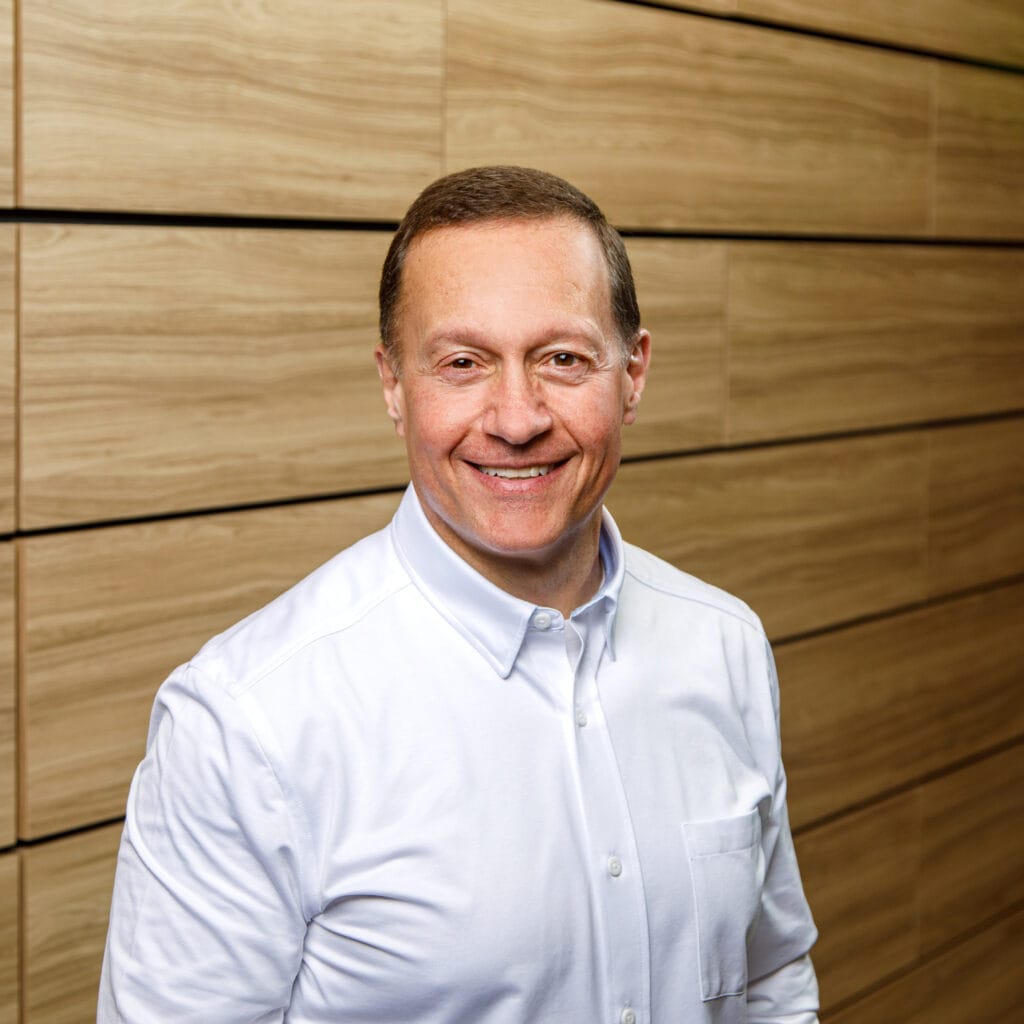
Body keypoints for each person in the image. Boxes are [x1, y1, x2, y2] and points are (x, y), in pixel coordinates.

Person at [99, 165, 819, 1023]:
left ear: (633, 373)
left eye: (562, 358)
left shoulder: (724, 645)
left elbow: (772, 983)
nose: (517, 419)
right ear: (394, 385)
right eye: (463, 362)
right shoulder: (246, 727)